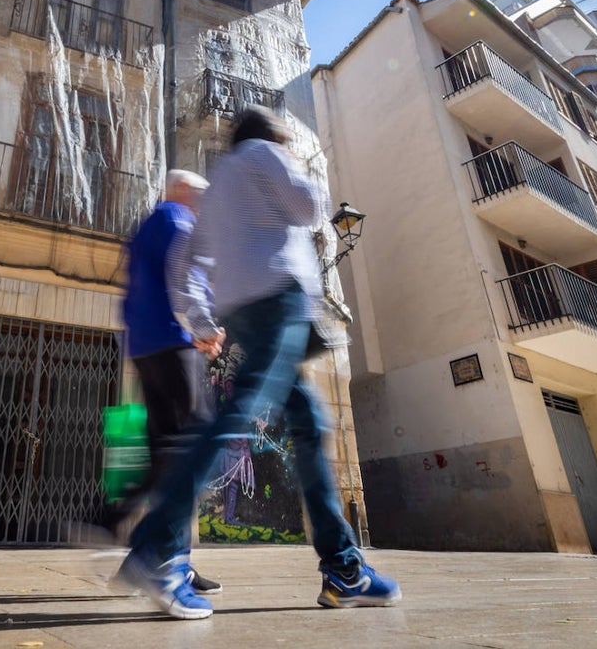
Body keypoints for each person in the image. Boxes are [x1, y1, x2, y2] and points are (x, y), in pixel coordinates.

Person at [116, 106, 401, 620]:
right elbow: (310, 208)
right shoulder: (267, 154)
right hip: (280, 300)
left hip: (240, 312)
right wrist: (299, 163)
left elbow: (185, 264)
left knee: (310, 424)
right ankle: (156, 549)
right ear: (271, 136)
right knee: (240, 411)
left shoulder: (218, 181)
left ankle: (343, 567)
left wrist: (204, 323)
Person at [116, 169, 223, 595]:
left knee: (167, 448)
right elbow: (185, 280)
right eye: (201, 194)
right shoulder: (179, 220)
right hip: (174, 342)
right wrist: (205, 327)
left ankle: (168, 553)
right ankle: (156, 551)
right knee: (195, 446)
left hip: (143, 345)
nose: (204, 203)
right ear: (182, 191)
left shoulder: (147, 225)